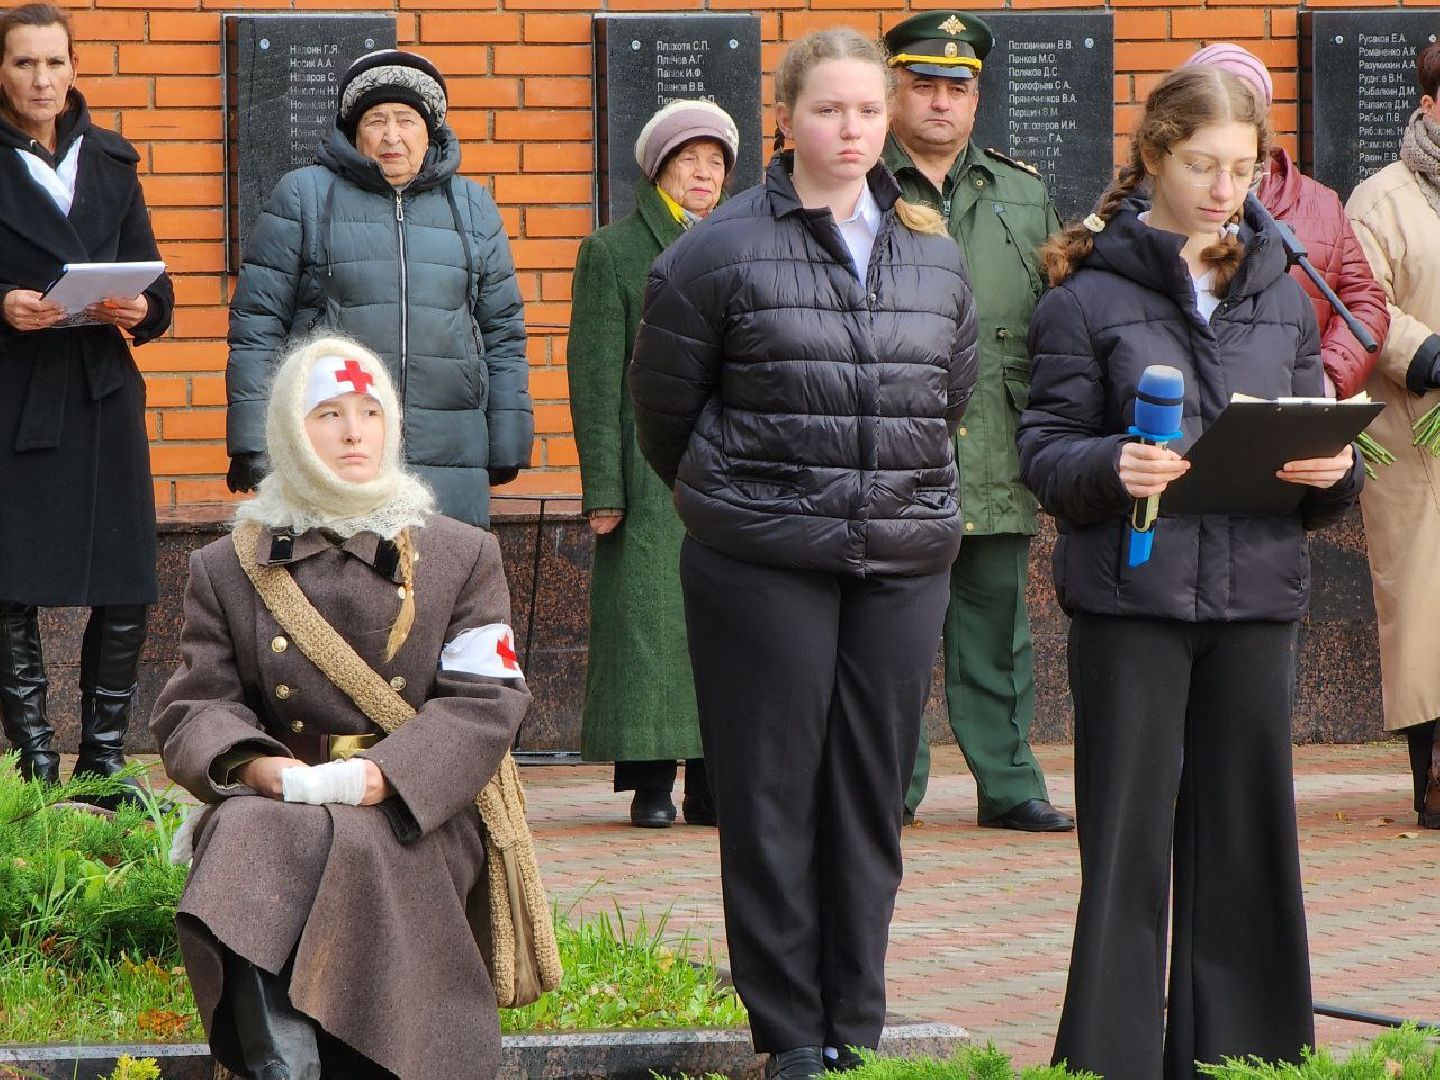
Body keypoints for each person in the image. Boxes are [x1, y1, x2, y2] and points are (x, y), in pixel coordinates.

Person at [629, 28, 978, 1079]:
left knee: (870, 797)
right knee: (772, 794)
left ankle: (854, 1029)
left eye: (868, 112)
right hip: (762, 562)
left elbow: (948, 394)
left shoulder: (933, 252)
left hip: (900, 562)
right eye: (830, 110)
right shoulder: (717, 250)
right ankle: (789, 1033)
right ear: (784, 117)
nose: (852, 129)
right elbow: (663, 413)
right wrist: (748, 501)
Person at [1020, 66, 1363, 1079]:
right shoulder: (1087, 299)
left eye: (1244, 169)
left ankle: (1245, 1058)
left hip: (1257, 600)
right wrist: (1108, 464)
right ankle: (1112, 1060)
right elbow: (1043, 451)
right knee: (1127, 853)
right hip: (1135, 602)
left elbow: (1314, 449)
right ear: (1156, 156)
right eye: (1205, 166)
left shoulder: (1282, 296)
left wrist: (1331, 471)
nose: (1226, 189)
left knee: (1250, 843)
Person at [151, 335, 530, 1080]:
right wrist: (258, 770)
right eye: (327, 413)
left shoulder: (459, 553)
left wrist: (380, 780)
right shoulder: (228, 566)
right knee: (247, 835)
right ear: (293, 431)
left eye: (369, 411)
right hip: (285, 790)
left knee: (354, 845)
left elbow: (486, 700)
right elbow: (197, 701)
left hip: (414, 803)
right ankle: (281, 1068)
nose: (354, 432)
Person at [881, 11, 1071, 832]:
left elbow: (1052, 320)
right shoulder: (860, 182)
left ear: (977, 98)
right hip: (888, 444)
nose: (940, 103)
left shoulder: (1021, 193)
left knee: (998, 630)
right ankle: (888, 787)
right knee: (890, 630)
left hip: (994, 440)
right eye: (923, 85)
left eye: (956, 89)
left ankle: (1010, 780)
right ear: (893, 90)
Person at [227, 49, 531, 527]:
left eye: (406, 120)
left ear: (429, 130)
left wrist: (508, 435)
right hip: (337, 447)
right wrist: (252, 438)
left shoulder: (472, 205)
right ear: (354, 130)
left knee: (443, 585)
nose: (392, 136)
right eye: (376, 120)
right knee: (339, 591)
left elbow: (502, 331)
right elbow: (258, 324)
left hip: (450, 447)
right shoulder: (304, 195)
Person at [0, 3, 174, 798]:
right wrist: (1, 305)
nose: (42, 79)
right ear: (0, 71)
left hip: (102, 390)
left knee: (125, 570)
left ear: (74, 68)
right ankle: (33, 754)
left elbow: (156, 281)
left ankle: (103, 755)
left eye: (55, 63)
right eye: (24, 63)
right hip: (16, 389)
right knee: (11, 571)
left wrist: (144, 309)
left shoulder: (109, 159)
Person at [568, 100, 739, 829]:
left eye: (716, 162)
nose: (703, 174)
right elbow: (594, 378)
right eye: (688, 160)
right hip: (646, 471)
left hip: (730, 465)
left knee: (726, 626)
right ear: (658, 169)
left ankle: (712, 782)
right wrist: (604, 487)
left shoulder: (745, 241)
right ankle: (650, 783)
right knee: (646, 629)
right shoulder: (612, 252)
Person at [1346, 40, 1440, 828]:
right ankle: (1433, 779)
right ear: (1431, 104)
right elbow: (1359, 304)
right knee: (1422, 611)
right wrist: (1426, 352)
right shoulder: (1380, 199)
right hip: (1418, 437)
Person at [1182, 43, 1389, 399]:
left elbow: (1362, 301)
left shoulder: (1320, 204)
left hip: (1290, 404)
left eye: (1246, 105)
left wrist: (1326, 374)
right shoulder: (1169, 208)